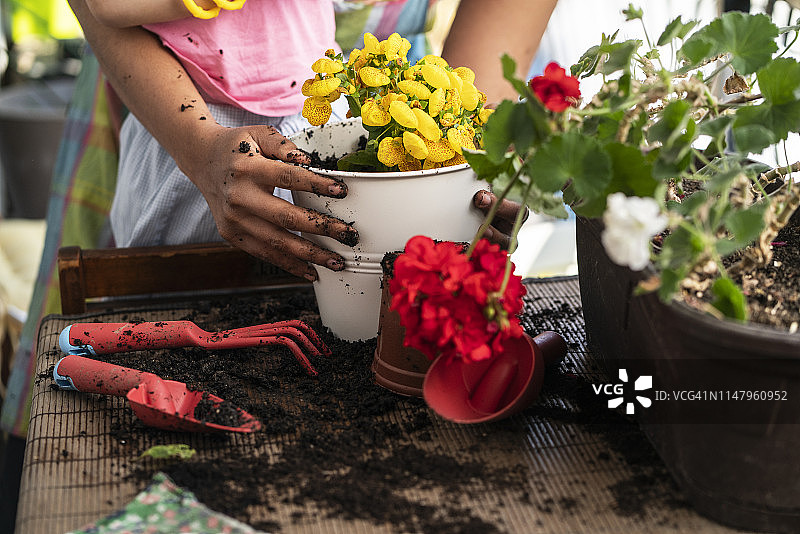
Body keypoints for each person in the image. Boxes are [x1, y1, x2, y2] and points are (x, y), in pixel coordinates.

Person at [0, 1, 557, 528]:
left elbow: (478, 81)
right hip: (169, 95)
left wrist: (461, 177)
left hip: (385, 116)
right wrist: (196, 145)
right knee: (91, 449)